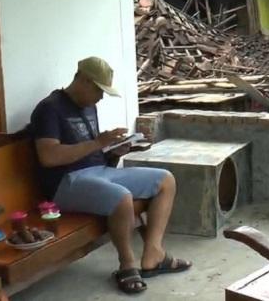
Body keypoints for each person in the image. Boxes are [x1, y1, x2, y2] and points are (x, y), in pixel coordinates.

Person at [30, 56, 191, 294]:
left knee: (165, 180)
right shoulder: (49, 109)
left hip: (100, 173)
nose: (101, 97)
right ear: (84, 80)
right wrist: (98, 143)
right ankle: (127, 264)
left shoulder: (89, 106)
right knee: (121, 197)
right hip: (65, 184)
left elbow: (90, 152)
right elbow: (49, 156)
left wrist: (113, 151)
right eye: (99, 90)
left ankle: (154, 254)